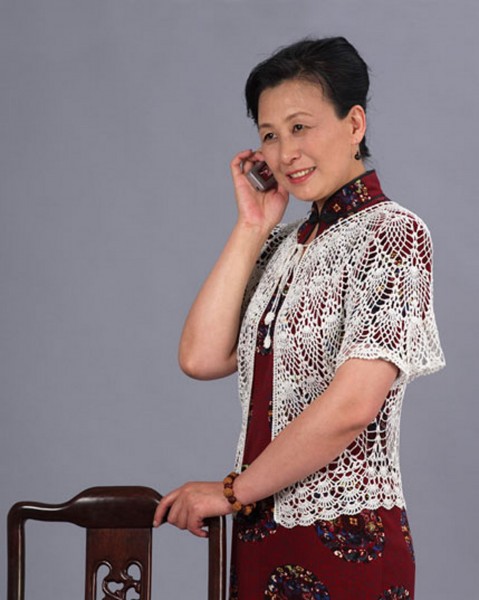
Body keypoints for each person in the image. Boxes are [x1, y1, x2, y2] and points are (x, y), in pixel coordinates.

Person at [153, 37, 445, 599]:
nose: (285, 153)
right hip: (262, 531)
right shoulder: (284, 245)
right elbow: (201, 356)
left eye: (300, 127)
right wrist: (252, 226)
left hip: (347, 539)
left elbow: (353, 406)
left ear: (354, 123)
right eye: (269, 135)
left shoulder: (393, 234)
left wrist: (232, 492)